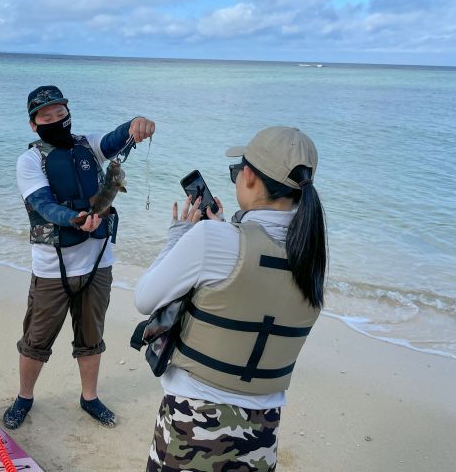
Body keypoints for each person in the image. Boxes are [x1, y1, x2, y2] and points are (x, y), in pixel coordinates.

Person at [134, 126, 327, 471]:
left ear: (249, 177)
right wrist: (227, 229)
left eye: (237, 171)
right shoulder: (312, 257)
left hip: (193, 422)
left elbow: (145, 298)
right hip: (264, 430)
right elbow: (256, 284)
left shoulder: (212, 239)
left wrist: (179, 237)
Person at [4, 85, 155, 430]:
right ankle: (25, 396)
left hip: (98, 262)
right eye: (46, 116)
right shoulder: (29, 161)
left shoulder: (89, 146)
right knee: (36, 339)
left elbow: (119, 138)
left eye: (61, 114)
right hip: (51, 268)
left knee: (91, 335)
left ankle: (89, 397)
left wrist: (137, 123)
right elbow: (43, 205)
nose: (56, 120)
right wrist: (76, 219)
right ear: (33, 123)